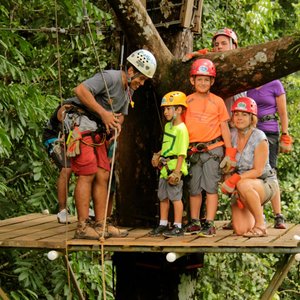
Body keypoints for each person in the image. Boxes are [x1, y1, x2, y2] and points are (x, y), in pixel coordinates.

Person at [64, 49, 157, 240]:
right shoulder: (111, 77)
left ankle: (101, 223)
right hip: (81, 124)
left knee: (103, 174)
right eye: (141, 78)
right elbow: (80, 90)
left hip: (99, 132)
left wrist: (116, 126)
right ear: (131, 70)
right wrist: (103, 113)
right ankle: (82, 226)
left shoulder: (128, 90)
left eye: (145, 80)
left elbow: (121, 114)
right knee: (87, 172)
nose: (142, 83)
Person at [183, 58, 234, 237]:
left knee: (211, 187)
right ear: (192, 80)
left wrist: (230, 153)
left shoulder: (217, 101)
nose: (203, 83)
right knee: (194, 188)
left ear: (212, 81)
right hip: (193, 151)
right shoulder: (186, 101)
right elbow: (181, 128)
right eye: (199, 79)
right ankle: (195, 221)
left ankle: (209, 223)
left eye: (206, 79)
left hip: (213, 149)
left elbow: (224, 127)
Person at [221, 97, 280, 237]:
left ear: (252, 117)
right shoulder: (233, 136)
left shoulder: (260, 137)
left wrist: (235, 180)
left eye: (244, 114)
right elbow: (231, 166)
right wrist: (227, 179)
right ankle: (254, 213)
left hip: (265, 183)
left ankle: (261, 225)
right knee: (241, 230)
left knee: (243, 184)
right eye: (236, 114)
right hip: (241, 186)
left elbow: (258, 171)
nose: (239, 117)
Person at [247, 80, 293, 229]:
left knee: (270, 171)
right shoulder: (247, 84)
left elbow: (283, 112)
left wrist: (285, 134)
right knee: (252, 172)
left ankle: (278, 215)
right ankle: (255, 215)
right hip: (251, 132)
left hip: (270, 131)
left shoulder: (275, 84)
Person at [148, 91, 189, 237]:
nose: (165, 112)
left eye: (169, 108)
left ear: (178, 109)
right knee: (163, 197)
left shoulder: (182, 130)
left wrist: (177, 172)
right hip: (164, 168)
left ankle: (178, 225)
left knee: (175, 197)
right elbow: (167, 146)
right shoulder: (168, 127)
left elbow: (181, 153)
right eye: (164, 109)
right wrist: (159, 154)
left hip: (174, 168)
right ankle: (163, 223)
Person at [43, 104, 73, 224]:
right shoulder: (68, 105)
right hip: (54, 138)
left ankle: (86, 208)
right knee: (67, 168)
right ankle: (62, 210)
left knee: (87, 170)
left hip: (73, 140)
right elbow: (61, 116)